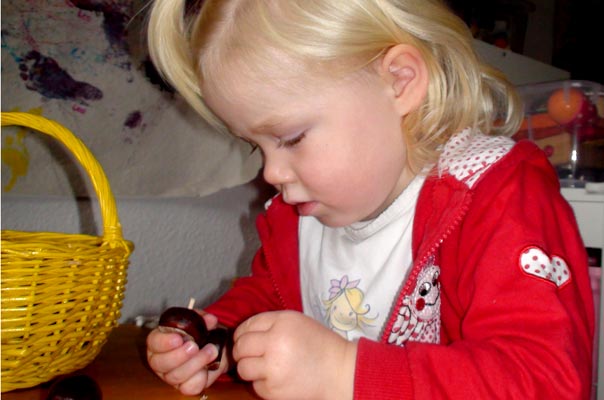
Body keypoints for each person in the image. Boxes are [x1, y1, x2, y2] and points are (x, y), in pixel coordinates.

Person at [144, 0, 595, 398]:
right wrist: (218, 339)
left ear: (399, 82)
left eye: (291, 137)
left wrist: (345, 374)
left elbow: (545, 382)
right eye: (254, 145)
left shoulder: (498, 194)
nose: (271, 172)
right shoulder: (303, 215)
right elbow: (271, 297)